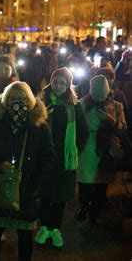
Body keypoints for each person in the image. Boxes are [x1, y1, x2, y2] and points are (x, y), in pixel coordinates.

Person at [0, 81, 54, 261]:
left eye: (22, 98)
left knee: (25, 237)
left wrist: (34, 182)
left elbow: (48, 157)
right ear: (5, 100)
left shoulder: (40, 126)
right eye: (13, 98)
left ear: (30, 100)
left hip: (26, 190)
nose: (17, 102)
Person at [36, 68, 89, 247]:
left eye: (62, 83)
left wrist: (75, 150)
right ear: (51, 82)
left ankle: (55, 229)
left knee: (60, 196)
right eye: (56, 82)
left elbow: (84, 133)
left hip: (65, 159)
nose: (58, 86)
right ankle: (43, 227)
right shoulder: (41, 103)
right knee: (44, 194)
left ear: (68, 85)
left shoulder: (75, 106)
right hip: (44, 158)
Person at [77, 75, 128, 225]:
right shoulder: (82, 104)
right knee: (85, 183)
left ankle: (94, 213)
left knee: (101, 185)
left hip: (106, 151)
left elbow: (124, 130)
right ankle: (84, 206)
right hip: (87, 150)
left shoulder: (117, 106)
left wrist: (111, 120)